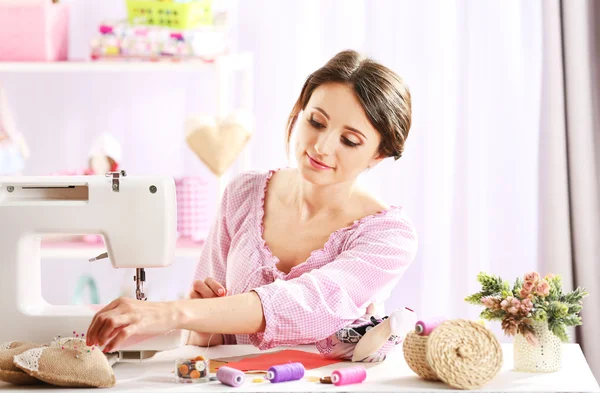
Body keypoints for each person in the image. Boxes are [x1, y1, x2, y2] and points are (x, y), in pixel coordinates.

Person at [85, 50, 418, 359]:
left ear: (379, 154)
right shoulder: (244, 194)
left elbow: (313, 301)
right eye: (315, 122)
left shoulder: (389, 237)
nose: (321, 146)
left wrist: (171, 312)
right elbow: (207, 331)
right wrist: (195, 325)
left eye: (349, 141)